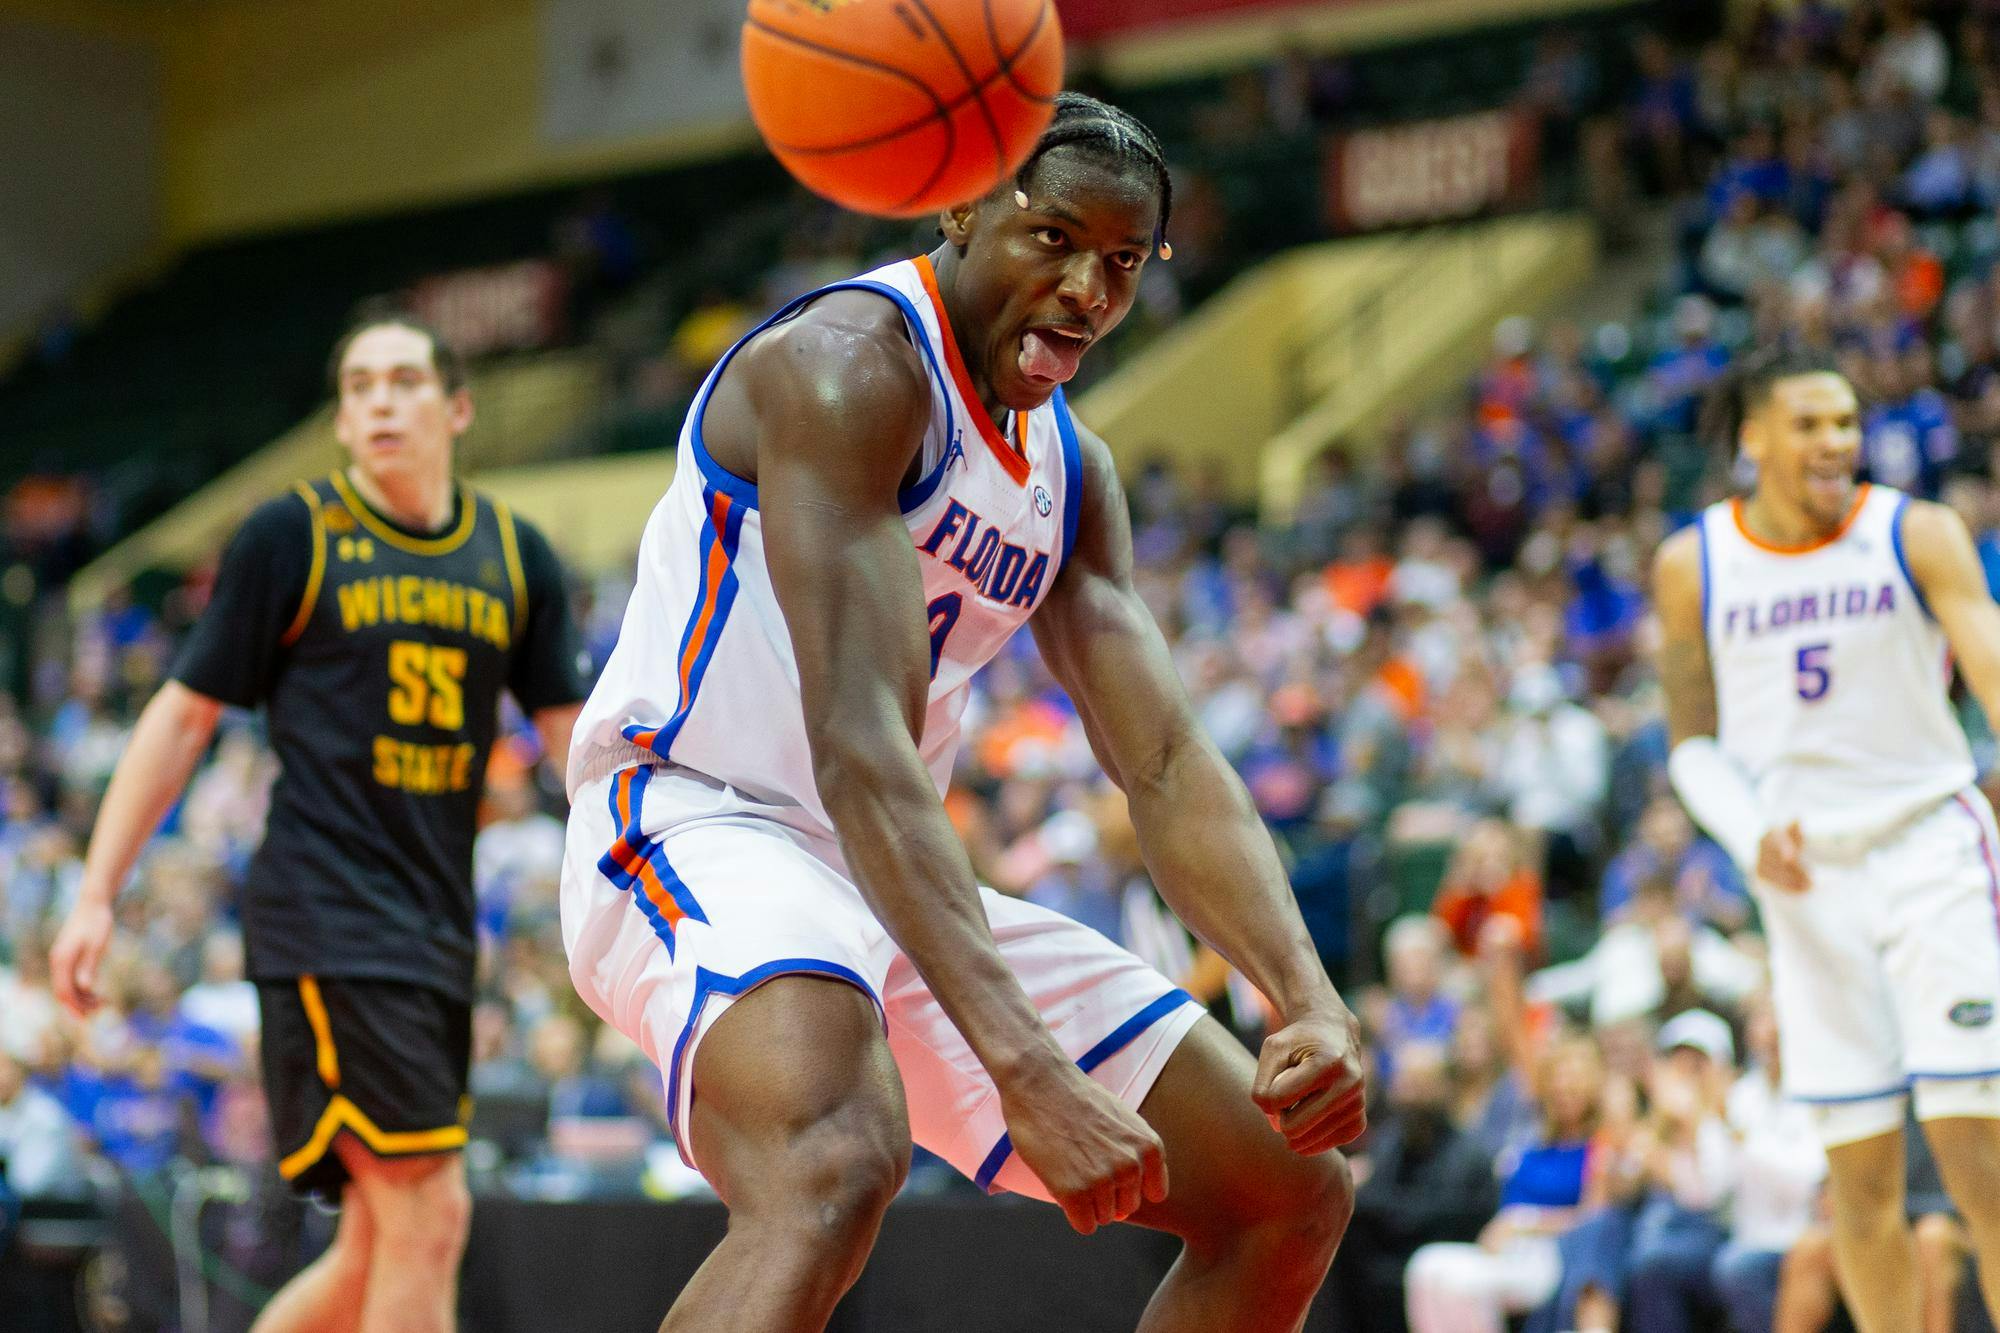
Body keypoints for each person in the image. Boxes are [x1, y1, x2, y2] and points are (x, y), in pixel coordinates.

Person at [562, 93, 1366, 1331]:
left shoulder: (1070, 470)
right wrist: (1025, 1066)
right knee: (830, 1161)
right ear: (962, 207)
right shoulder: (848, 368)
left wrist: (1303, 995)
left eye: (1120, 261)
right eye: (1052, 238)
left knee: (1284, 1190)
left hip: (882, 867)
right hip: (690, 817)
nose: (1086, 289)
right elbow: (861, 748)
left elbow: (1159, 758)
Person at [45, 312, 590, 1333]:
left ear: (457, 406)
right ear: (341, 422)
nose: (380, 401)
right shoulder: (290, 535)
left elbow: (576, 744)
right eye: (359, 387)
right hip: (327, 915)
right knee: (430, 1216)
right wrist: (94, 892)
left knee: (377, 1246)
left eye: (404, 381)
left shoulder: (516, 558)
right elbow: (182, 714)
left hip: (434, 932)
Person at [1655, 345, 2000, 1328]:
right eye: (1808, 423)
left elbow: (1985, 669)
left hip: (1924, 846)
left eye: (1844, 422)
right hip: (1802, 882)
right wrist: (1744, 826)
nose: (1834, 440)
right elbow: (1690, 743)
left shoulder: (1916, 531)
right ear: (1752, 437)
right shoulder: (1693, 563)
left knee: (1973, 1144)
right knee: (1856, 1178)